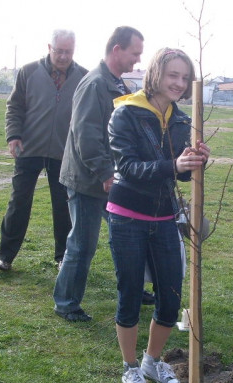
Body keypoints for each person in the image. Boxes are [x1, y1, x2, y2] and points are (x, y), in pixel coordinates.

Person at [106, 48, 210, 383]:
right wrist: (174, 165)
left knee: (170, 296)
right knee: (131, 293)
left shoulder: (181, 120)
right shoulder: (126, 114)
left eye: (185, 77)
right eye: (172, 75)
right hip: (127, 218)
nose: (179, 83)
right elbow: (131, 169)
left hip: (165, 217)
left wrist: (195, 162)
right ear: (156, 74)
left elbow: (179, 177)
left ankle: (152, 361)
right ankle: (130, 367)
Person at [53, 26, 144, 322]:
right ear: (117, 50)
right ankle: (66, 303)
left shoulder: (117, 85)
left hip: (109, 179)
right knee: (82, 243)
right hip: (88, 180)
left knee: (125, 237)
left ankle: (133, 289)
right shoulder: (95, 84)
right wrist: (106, 172)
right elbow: (86, 135)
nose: (137, 60)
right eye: (135, 53)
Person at [0, 29, 88, 271]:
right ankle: (5, 257)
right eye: (59, 51)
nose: (63, 56)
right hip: (29, 148)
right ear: (49, 47)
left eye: (68, 52)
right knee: (19, 202)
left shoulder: (83, 77)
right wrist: (13, 136)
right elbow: (14, 107)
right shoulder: (29, 72)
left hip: (64, 153)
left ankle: (63, 258)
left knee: (64, 206)